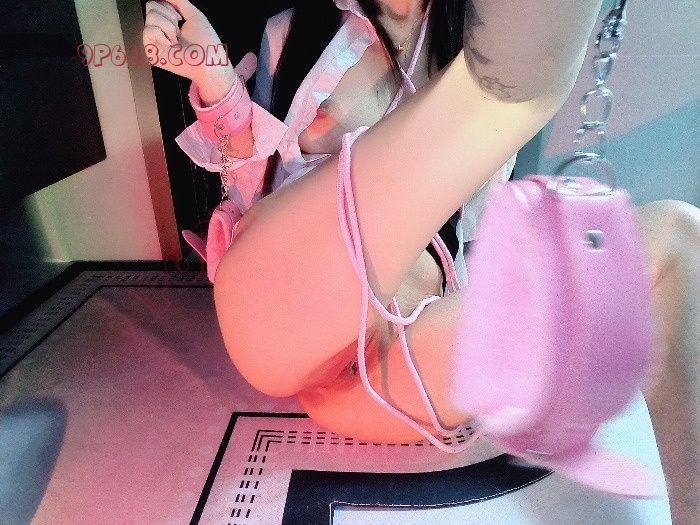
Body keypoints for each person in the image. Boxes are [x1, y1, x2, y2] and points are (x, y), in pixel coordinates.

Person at [144, 0, 700, 518]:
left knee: (678, 235)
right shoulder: (296, 33)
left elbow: (472, 224)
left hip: (385, 369)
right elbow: (253, 190)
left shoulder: (473, 41)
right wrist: (215, 80)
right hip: (282, 314)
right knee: (507, 89)